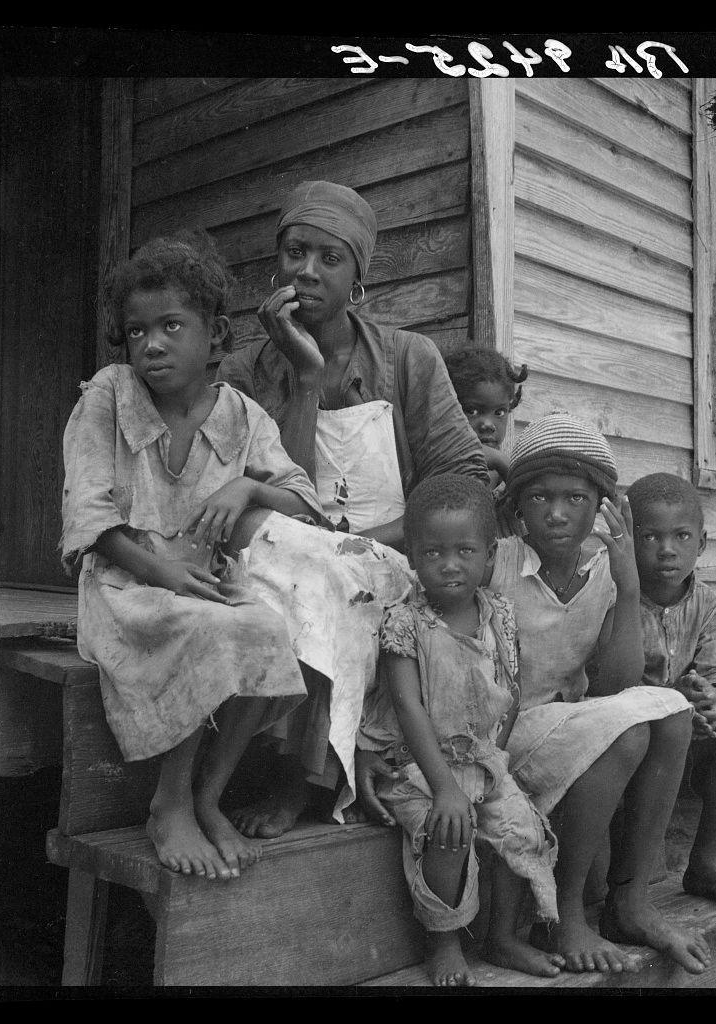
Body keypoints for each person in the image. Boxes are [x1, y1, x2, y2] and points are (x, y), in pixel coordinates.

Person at [359, 413, 713, 976]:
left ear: (601, 504)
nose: (556, 512)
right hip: (500, 729)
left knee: (670, 714)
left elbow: (619, 683)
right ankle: (567, 913)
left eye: (575, 497)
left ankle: (631, 897)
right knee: (627, 734)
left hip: (563, 723)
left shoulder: (606, 571)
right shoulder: (489, 561)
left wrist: (627, 588)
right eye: (540, 497)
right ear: (517, 506)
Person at [215, 180, 487, 839]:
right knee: (304, 577)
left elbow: (466, 479)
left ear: (358, 281)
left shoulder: (408, 359)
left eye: (329, 258)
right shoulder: (247, 373)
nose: (306, 270)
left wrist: (365, 541)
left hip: (395, 555)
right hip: (290, 550)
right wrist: (304, 376)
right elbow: (274, 501)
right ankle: (288, 773)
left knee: (336, 580)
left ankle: (298, 783)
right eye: (295, 252)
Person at [59, 229, 325, 881]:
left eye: (171, 326)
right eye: (138, 330)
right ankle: (169, 803)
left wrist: (248, 485)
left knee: (265, 625)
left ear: (215, 336)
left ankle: (209, 794)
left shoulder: (240, 414)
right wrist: (162, 568)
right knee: (208, 624)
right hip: (127, 582)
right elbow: (88, 512)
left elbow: (303, 500)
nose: (150, 344)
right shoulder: (107, 397)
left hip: (205, 582)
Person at [372, 474, 561, 986]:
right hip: (421, 768)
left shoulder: (497, 614)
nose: (450, 564)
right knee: (449, 830)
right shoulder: (405, 622)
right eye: (433, 552)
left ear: (490, 554)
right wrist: (447, 788)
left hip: (482, 759)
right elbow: (408, 708)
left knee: (522, 829)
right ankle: (445, 940)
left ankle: (502, 937)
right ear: (412, 556)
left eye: (464, 550)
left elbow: (511, 691)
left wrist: (493, 764)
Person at [625, 472, 716, 913]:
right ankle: (631, 886)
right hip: (635, 741)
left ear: (701, 543)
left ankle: (704, 862)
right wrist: (670, 700)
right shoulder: (615, 597)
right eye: (649, 536)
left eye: (681, 536)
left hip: (690, 735)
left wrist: (710, 701)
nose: (667, 549)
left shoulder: (705, 604)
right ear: (627, 538)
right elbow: (604, 684)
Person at [443, 346, 528, 496]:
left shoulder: (504, 475)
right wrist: (499, 460)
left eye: (499, 412)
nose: (488, 425)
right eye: (472, 411)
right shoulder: (441, 466)